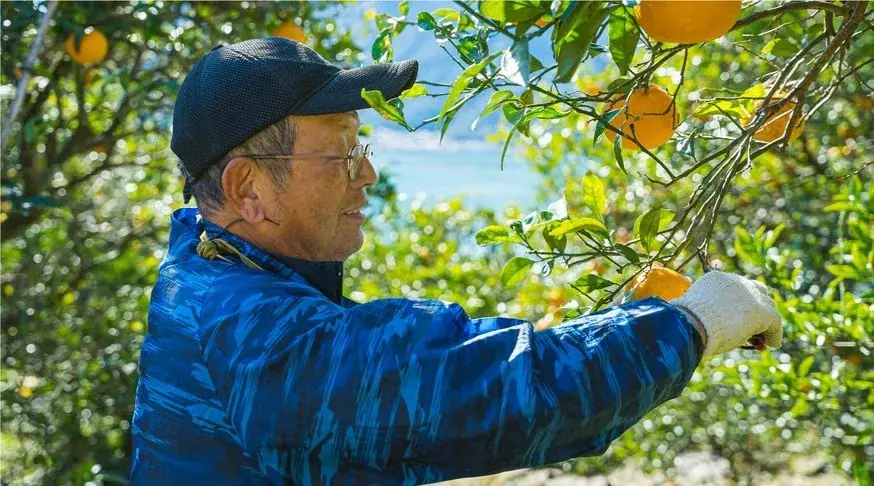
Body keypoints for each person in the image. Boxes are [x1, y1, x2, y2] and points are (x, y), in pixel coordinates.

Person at [130, 38, 783, 485]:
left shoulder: (205, 268)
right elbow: (507, 387)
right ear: (248, 189)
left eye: (364, 146)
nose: (368, 174)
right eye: (342, 153)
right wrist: (696, 321)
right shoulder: (253, 336)